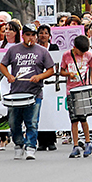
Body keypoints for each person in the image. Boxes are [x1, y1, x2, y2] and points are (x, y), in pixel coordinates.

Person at [0, 23, 55, 160]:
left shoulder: (42, 51)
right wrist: (8, 75)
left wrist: (39, 77)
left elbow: (51, 70)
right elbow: (2, 65)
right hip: (16, 93)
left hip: (34, 92)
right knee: (13, 122)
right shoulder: (13, 50)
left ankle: (31, 146)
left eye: (33, 35)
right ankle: (18, 144)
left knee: (32, 122)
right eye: (28, 34)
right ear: (22, 35)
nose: (30, 37)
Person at [59, 35, 92, 159]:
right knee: (74, 120)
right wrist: (69, 74)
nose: (83, 54)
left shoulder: (88, 55)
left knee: (83, 118)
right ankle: (75, 145)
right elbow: (61, 71)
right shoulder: (66, 55)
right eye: (81, 51)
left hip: (83, 90)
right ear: (74, 48)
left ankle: (88, 142)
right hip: (71, 91)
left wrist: (91, 83)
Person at [36, 24, 59, 152]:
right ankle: (41, 142)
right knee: (39, 112)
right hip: (39, 83)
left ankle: (51, 140)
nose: (43, 35)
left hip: (52, 84)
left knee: (50, 112)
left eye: (45, 33)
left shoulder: (54, 48)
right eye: (41, 33)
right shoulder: (35, 48)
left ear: (50, 36)